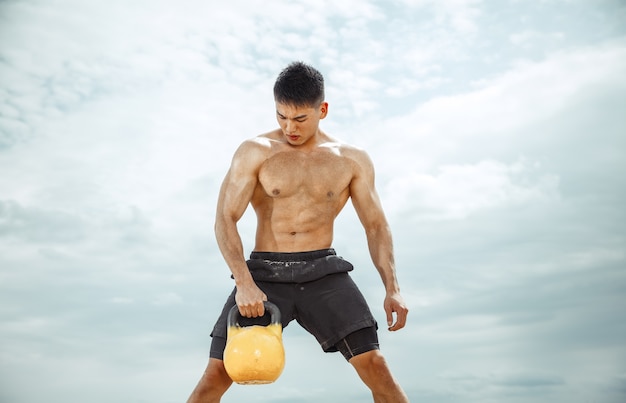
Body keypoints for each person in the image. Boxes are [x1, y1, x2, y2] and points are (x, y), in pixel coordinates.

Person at [187, 61, 409, 403]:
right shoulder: (256, 151)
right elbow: (225, 219)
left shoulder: (350, 159)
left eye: (300, 119)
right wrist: (245, 283)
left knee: (377, 368)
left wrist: (392, 288)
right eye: (281, 116)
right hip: (264, 277)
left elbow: (376, 226)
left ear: (322, 110)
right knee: (215, 377)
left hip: (323, 273)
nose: (290, 127)